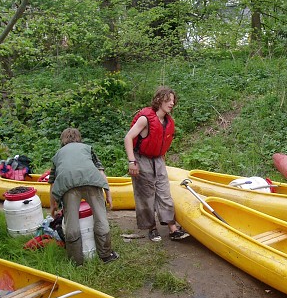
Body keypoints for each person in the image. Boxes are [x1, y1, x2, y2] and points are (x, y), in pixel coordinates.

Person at [123, 86, 189, 242]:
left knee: (164, 193)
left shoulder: (166, 121)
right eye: (168, 99)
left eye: (173, 100)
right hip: (141, 159)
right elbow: (128, 138)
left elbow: (161, 143)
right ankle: (152, 229)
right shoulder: (145, 118)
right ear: (159, 100)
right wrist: (132, 161)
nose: (172, 103)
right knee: (146, 196)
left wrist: (162, 160)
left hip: (158, 160)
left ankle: (172, 228)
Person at [49, 128, 119, 265]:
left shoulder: (58, 154)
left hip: (68, 185)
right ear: (79, 138)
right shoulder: (87, 148)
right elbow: (100, 172)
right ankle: (106, 255)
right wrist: (108, 194)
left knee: (72, 224)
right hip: (92, 181)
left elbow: (52, 183)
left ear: (62, 140)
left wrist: (53, 205)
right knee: (101, 218)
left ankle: (76, 261)